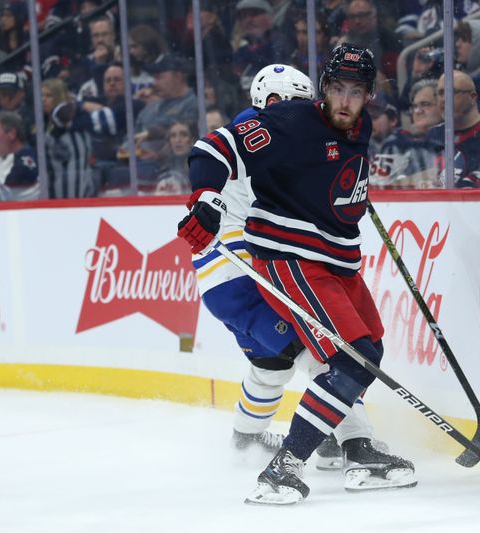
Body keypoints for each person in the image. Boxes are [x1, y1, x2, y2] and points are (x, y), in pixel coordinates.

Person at [177, 46, 416, 505]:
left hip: (311, 259)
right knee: (325, 354)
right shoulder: (280, 126)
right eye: (338, 91)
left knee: (291, 362)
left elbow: (323, 170)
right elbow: (214, 151)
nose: (345, 101)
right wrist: (205, 200)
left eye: (356, 92)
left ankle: (257, 439)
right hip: (242, 269)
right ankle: (338, 449)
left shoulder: (343, 124)